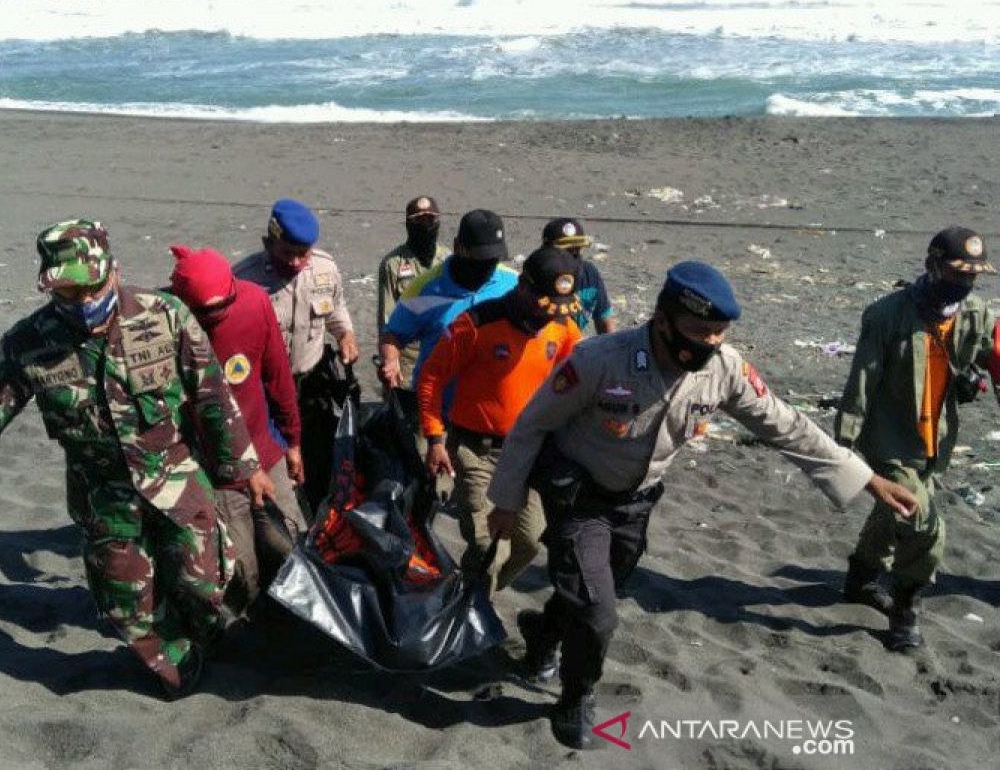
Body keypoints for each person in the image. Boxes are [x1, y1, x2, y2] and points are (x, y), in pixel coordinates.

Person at [486, 261, 919, 750]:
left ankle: (543, 633)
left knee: (594, 593)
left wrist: (866, 478)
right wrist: (506, 501)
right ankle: (575, 695)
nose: (709, 342)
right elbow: (531, 426)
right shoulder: (601, 359)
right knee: (597, 610)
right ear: (664, 320)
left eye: (719, 332)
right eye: (698, 331)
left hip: (635, 505)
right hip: (579, 498)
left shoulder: (724, 369)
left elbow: (785, 425)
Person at [0, 219, 273, 698]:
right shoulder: (29, 344)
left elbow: (212, 396)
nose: (83, 304)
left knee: (201, 584)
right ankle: (176, 669)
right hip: (103, 497)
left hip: (176, 483)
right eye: (67, 294)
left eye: (90, 289)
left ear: (114, 273)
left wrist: (243, 469)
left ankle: (205, 640)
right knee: (127, 608)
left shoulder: (164, 316)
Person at [835, 226, 998, 651]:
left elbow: (992, 357)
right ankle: (906, 606)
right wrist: (844, 447)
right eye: (956, 273)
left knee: (895, 511)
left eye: (972, 277)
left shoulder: (975, 314)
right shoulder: (886, 315)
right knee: (924, 524)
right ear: (933, 264)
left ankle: (862, 576)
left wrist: (976, 378)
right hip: (888, 440)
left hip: (935, 441)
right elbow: (861, 384)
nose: (963, 283)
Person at [418, 245, 584, 595]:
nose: (548, 318)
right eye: (544, 307)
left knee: (527, 543)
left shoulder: (563, 329)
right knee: (488, 546)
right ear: (524, 287)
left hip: (527, 455)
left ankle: (470, 595)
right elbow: (432, 377)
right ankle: (474, 614)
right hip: (475, 449)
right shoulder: (477, 323)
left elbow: (577, 381)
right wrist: (435, 437)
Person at [170, 245, 308, 608]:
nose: (215, 316)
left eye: (221, 306)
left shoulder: (254, 303)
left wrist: (293, 442)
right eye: (205, 312)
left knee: (289, 545)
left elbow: (279, 378)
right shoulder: (167, 324)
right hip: (218, 472)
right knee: (239, 569)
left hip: (266, 454)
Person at [233, 199, 359, 504]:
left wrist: (346, 335)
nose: (295, 263)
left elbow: (336, 308)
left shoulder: (324, 269)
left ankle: (319, 529)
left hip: (311, 384)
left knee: (319, 466)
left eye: (302, 254)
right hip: (266, 394)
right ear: (269, 243)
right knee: (273, 468)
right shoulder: (243, 279)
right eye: (287, 253)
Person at [378, 209, 518, 391]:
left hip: (492, 408)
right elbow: (393, 334)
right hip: (437, 410)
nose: (486, 265)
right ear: (457, 246)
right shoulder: (425, 289)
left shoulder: (514, 284)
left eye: (492, 258)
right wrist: (390, 360)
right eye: (479, 257)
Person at [377, 195, 451, 420]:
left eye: (431, 221)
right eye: (420, 222)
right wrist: (390, 362)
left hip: (443, 355)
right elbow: (386, 319)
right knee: (406, 424)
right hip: (407, 362)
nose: (426, 228)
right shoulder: (394, 264)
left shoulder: (449, 260)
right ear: (409, 224)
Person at [541, 217, 616, 334]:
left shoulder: (589, 274)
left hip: (572, 344)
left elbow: (605, 321)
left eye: (576, 250)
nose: (571, 257)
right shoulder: (537, 278)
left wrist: (610, 349)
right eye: (565, 252)